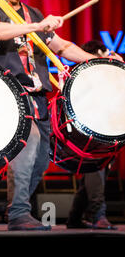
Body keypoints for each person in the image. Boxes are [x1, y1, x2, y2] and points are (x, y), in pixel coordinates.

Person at [0, 0, 100, 231]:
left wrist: (97, 62)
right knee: (28, 147)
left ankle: (17, 210)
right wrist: (36, 28)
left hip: (39, 98)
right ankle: (18, 213)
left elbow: (63, 47)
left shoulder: (34, 14)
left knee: (41, 158)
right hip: (11, 96)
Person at [66, 39, 123, 230]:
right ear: (99, 52)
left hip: (102, 128)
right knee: (96, 171)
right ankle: (98, 215)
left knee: (95, 173)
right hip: (90, 131)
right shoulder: (89, 73)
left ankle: (74, 218)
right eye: (106, 51)